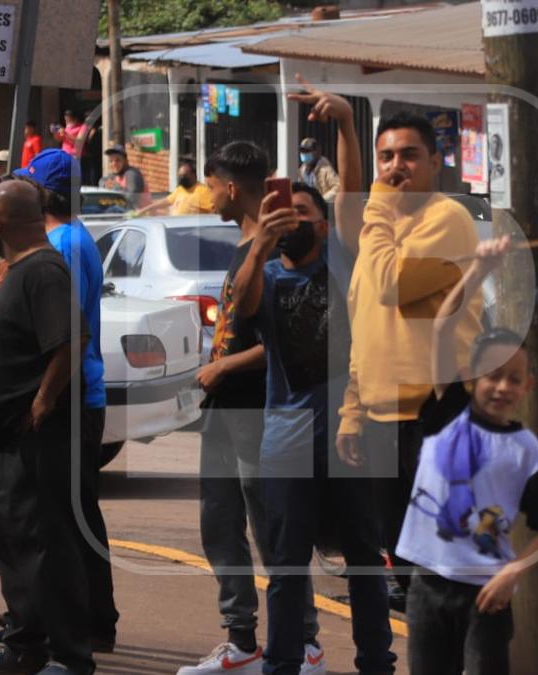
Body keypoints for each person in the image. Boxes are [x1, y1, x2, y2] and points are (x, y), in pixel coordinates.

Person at [233, 178, 395, 675]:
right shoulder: (265, 278)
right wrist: (259, 245)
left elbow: (349, 191)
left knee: (365, 561)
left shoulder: (343, 266)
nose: (291, 219)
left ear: (323, 227)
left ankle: (376, 664)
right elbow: (241, 305)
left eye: (302, 212)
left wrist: (345, 123)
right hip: (287, 443)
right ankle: (281, 665)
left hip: (354, 439)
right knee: (285, 566)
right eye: (282, 211)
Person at [0, 153, 120, 656]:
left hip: (62, 411)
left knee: (56, 531)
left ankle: (78, 634)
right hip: (37, 414)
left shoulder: (61, 250)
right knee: (44, 528)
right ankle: (29, 626)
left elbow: (64, 334)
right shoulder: (46, 251)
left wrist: (42, 398)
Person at [178, 142, 321, 675]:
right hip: (223, 409)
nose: (206, 195)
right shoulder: (246, 243)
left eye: (211, 185)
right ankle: (241, 641)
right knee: (219, 524)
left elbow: (287, 336)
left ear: (232, 187)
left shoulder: (277, 243)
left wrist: (225, 367)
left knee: (272, 530)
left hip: (259, 408)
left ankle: (304, 642)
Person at [335, 111, 483, 608]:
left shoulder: (446, 219)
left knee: (446, 562)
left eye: (409, 155)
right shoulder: (380, 231)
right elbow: (364, 330)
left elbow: (392, 287)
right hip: (383, 415)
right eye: (386, 157)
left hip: (437, 412)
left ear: (435, 163)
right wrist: (352, 413)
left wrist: (377, 203)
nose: (397, 166)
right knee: (405, 558)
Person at [398, 236, 538, 675]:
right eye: (492, 374)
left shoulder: (527, 451)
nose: (502, 386)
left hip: (486, 593)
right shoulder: (445, 412)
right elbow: (442, 326)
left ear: (528, 386)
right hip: (426, 587)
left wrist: (514, 573)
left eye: (514, 378)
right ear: (472, 379)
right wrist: (480, 272)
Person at [140, 160, 214, 215]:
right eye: (180, 176)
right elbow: (167, 201)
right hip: (176, 230)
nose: (181, 178)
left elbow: (214, 211)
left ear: (193, 175)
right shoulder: (180, 189)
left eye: (184, 176)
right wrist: (145, 209)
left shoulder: (203, 191)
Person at [99, 144, 150, 208]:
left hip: (143, 216)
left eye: (118, 160)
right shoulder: (115, 175)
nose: (114, 164)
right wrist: (104, 184)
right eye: (111, 161)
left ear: (126, 161)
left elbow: (132, 198)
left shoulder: (132, 173)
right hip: (127, 215)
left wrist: (115, 187)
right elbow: (102, 181)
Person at [296, 138, 339, 204]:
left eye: (308, 151)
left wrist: (322, 200)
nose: (304, 154)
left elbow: (338, 188)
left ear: (317, 152)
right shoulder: (302, 170)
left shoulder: (326, 170)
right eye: (302, 151)